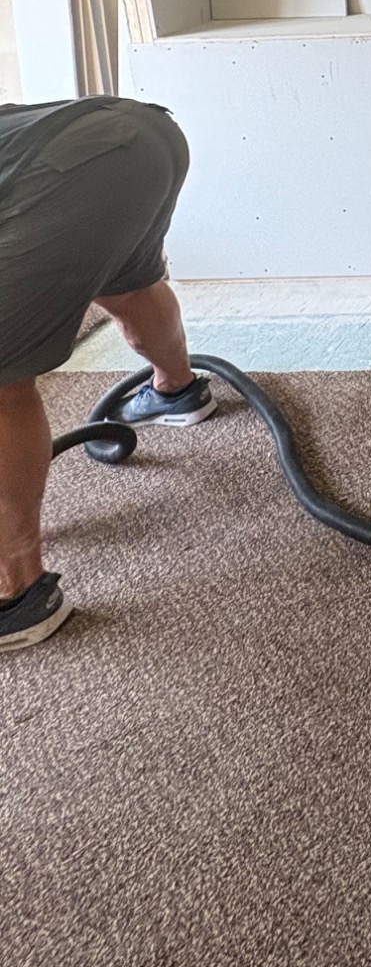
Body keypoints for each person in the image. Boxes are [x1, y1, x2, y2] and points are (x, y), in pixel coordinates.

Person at [0, 96, 214, 651]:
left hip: (70, 167)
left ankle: (17, 594)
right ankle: (177, 391)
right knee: (129, 287)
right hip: (144, 137)